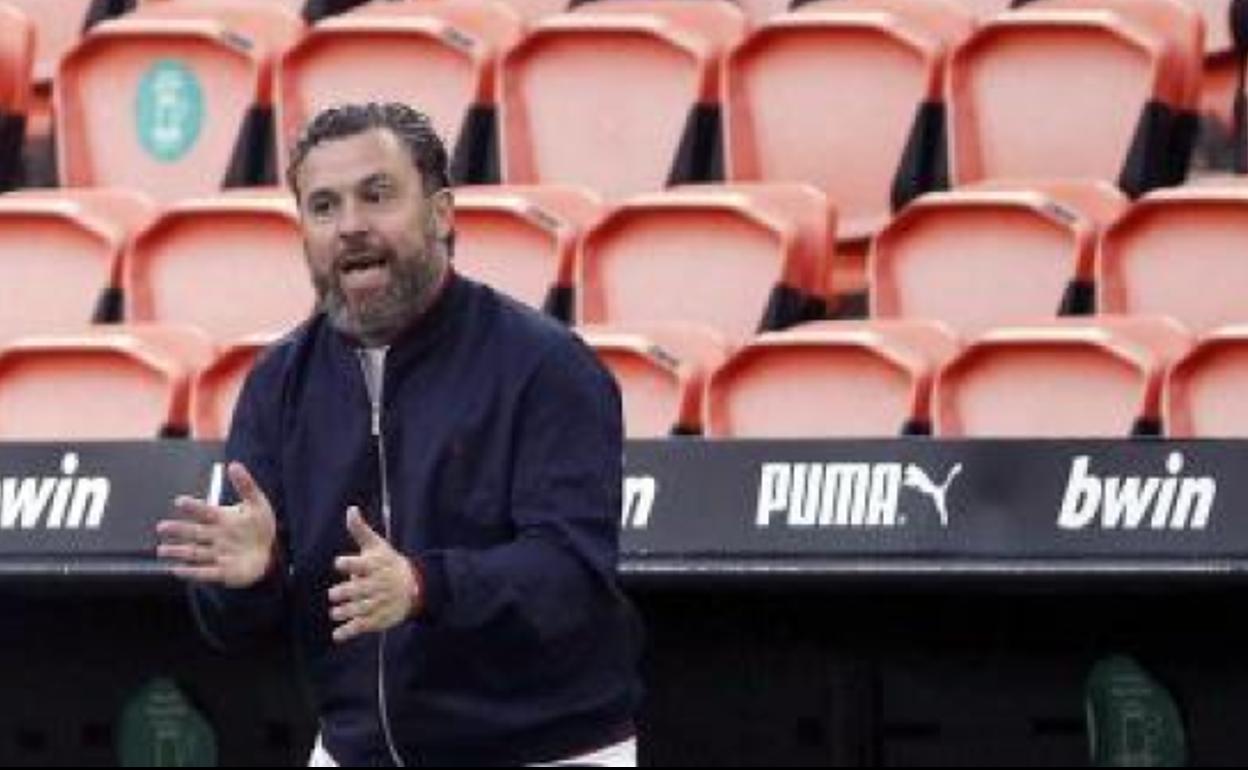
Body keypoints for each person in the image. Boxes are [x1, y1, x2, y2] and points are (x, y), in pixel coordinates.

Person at [155, 102, 643, 766]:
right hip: (356, 750)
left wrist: (422, 585)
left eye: (376, 195)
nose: (350, 226)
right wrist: (248, 579)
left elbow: (569, 576)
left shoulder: (546, 366)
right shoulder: (279, 384)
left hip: (543, 750)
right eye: (323, 207)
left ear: (441, 213)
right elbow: (237, 629)